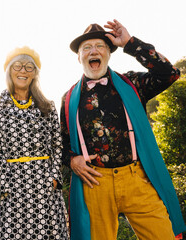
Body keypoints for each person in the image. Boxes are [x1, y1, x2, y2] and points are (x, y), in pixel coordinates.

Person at [60, 19, 186, 240]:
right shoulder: (69, 98)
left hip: (136, 178)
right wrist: (72, 159)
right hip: (95, 182)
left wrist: (130, 43)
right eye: (86, 48)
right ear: (79, 57)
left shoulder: (132, 83)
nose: (93, 51)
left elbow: (170, 74)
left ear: (109, 52)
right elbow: (60, 141)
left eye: (99, 46)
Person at [0, 46, 69, 240]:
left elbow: (57, 145)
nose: (23, 71)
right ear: (9, 71)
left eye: (29, 67)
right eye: (18, 66)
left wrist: (54, 178)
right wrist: (4, 186)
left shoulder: (47, 107)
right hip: (12, 188)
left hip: (45, 187)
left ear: (35, 74)